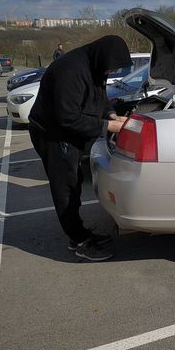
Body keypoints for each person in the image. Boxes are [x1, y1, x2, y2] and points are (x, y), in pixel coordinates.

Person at [29, 35, 131, 261]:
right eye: (112, 68)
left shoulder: (96, 65)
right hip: (53, 134)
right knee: (65, 188)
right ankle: (78, 240)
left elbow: (99, 97)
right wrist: (108, 126)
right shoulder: (71, 71)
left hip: (67, 132)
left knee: (74, 184)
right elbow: (68, 118)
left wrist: (111, 114)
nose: (112, 73)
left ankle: (79, 232)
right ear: (103, 58)